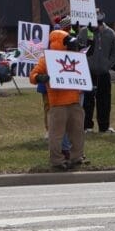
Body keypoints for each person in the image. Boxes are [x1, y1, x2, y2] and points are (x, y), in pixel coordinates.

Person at [30, 29, 86, 170]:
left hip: (74, 102)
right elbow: (33, 75)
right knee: (56, 135)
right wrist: (40, 78)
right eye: (66, 41)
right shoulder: (47, 59)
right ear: (58, 42)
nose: (70, 44)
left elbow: (83, 69)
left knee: (77, 132)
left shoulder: (74, 56)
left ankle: (76, 157)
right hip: (57, 103)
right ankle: (57, 161)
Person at [84, 10, 115, 133]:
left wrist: (107, 65)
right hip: (88, 72)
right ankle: (87, 126)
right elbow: (80, 47)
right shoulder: (85, 31)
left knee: (104, 101)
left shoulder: (110, 33)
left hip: (104, 73)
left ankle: (104, 126)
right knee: (87, 101)